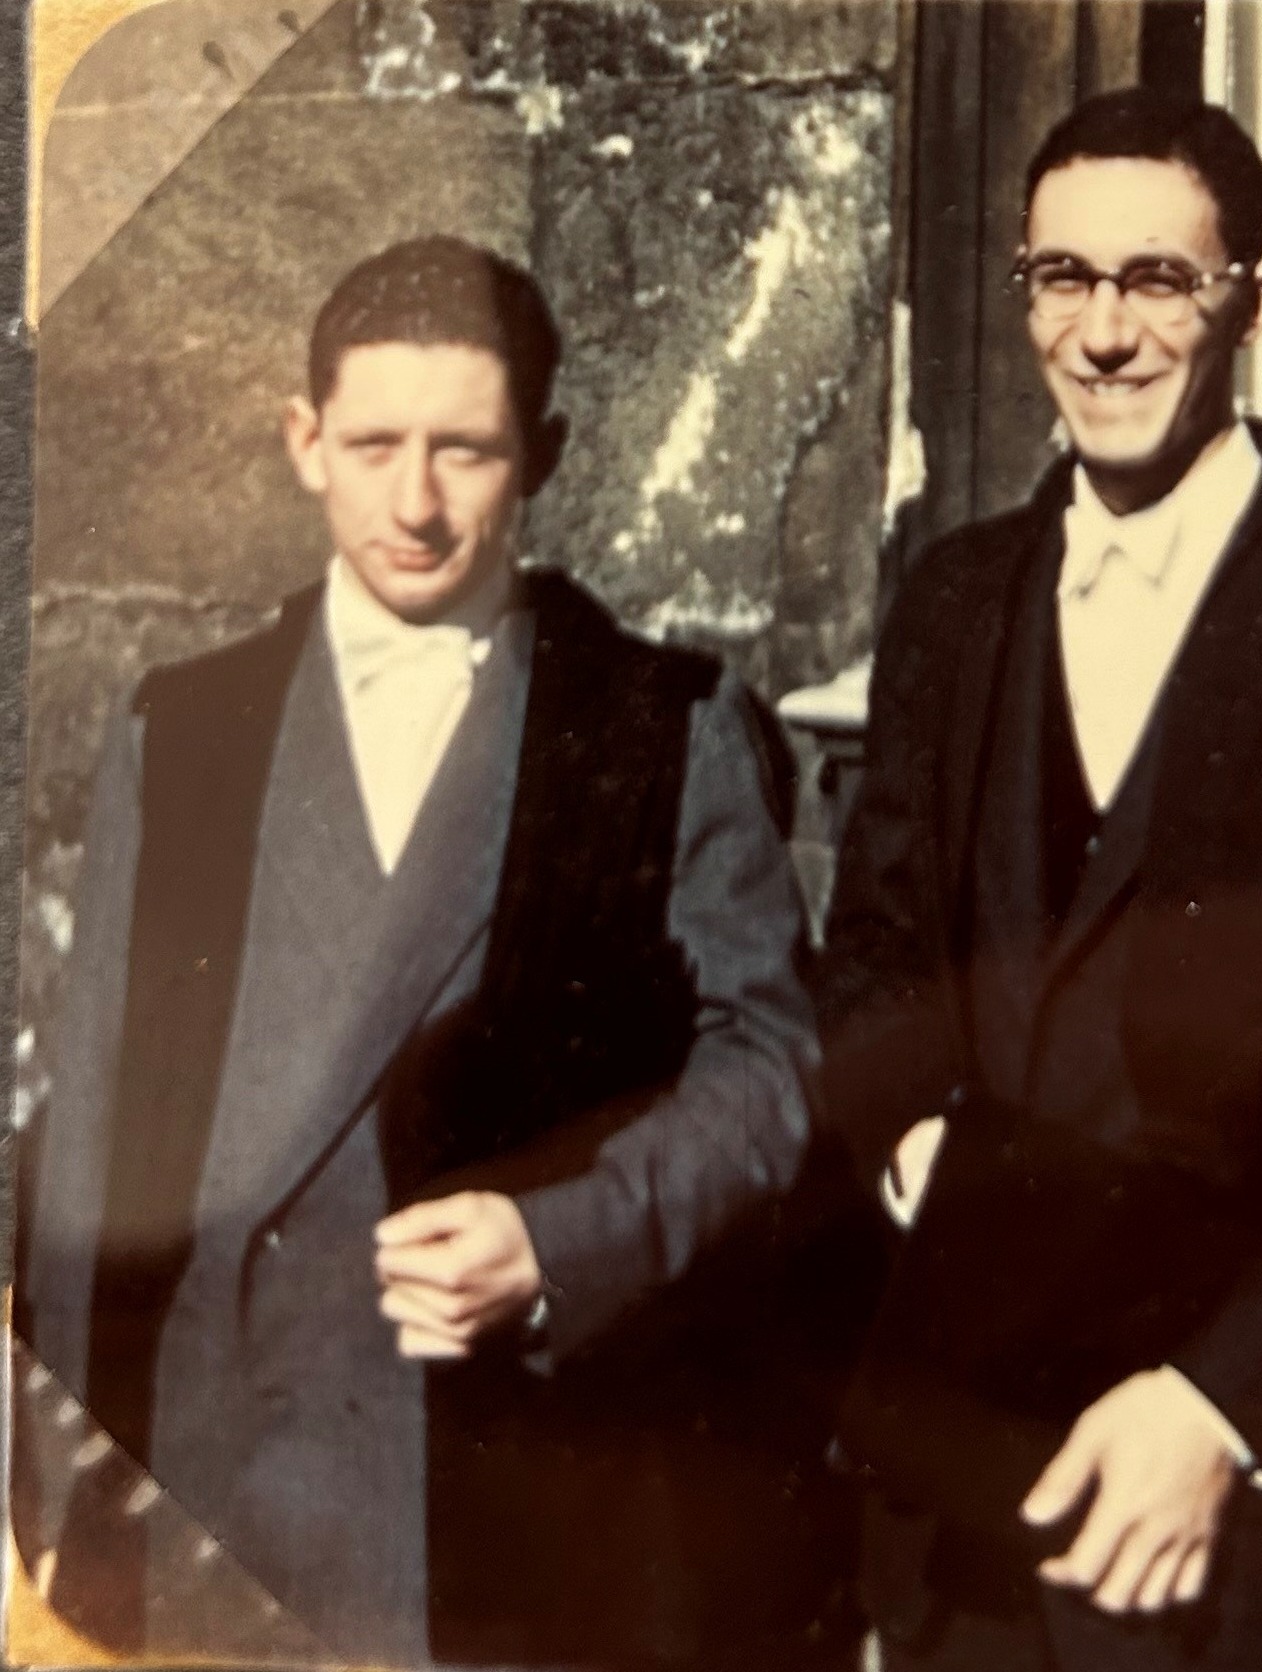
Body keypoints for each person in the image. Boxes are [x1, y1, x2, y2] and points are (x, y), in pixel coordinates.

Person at [16, 235, 860, 1669]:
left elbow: (774, 1070)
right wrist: (52, 1493)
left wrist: (564, 1238)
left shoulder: (663, 722)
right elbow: (93, 1129)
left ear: (545, 452)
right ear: (303, 441)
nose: (413, 505)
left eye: (464, 451)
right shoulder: (181, 727)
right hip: (214, 1481)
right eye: (374, 444)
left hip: (505, 1478)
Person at [813, 87, 1262, 1672]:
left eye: (1159, 281)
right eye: (1063, 279)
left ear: (1257, 305)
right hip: (972, 1499)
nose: (1104, 334)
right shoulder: (951, 601)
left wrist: (1223, 1400)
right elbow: (869, 963)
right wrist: (926, 1154)